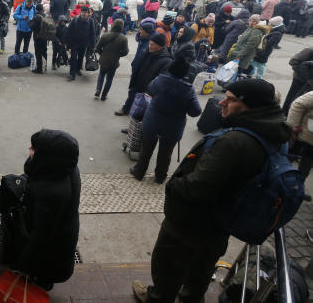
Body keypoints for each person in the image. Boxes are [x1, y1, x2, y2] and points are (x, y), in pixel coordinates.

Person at [132, 79, 290, 303]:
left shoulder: (233, 142)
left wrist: (175, 186)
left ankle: (158, 297)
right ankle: (191, 297)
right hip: (225, 220)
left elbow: (197, 187)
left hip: (192, 222)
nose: (222, 102)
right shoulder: (276, 132)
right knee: (203, 267)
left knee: (168, 263)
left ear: (252, 106)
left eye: (232, 99)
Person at [16, 129, 81, 291]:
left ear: (47, 156)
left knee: (41, 280)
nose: (30, 149)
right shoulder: (65, 167)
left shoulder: (53, 193)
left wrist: (24, 265)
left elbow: (40, 236)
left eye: (34, 148)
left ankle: (40, 285)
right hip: (60, 235)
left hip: (53, 248)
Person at [130, 59, 202, 183]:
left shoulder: (160, 80)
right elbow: (195, 112)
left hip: (152, 122)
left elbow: (150, 91)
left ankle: (139, 172)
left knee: (146, 149)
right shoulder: (188, 90)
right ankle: (160, 177)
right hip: (173, 128)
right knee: (166, 154)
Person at [94, 19, 129, 101]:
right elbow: (125, 52)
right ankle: (104, 95)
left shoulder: (105, 35)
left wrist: (102, 53)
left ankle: (98, 90)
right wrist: (119, 54)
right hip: (114, 62)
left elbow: (97, 47)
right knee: (109, 78)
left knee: (101, 75)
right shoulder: (123, 38)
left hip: (103, 60)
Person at [65, 8, 96, 81]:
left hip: (84, 43)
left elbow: (92, 33)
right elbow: (69, 30)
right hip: (74, 42)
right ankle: (72, 74)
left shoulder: (90, 21)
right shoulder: (75, 19)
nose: (84, 14)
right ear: (80, 13)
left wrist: (93, 45)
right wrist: (68, 42)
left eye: (85, 13)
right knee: (73, 58)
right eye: (82, 12)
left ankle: (78, 69)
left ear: (88, 13)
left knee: (81, 57)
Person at [283, 47, 313, 114]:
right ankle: (285, 113)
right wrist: (306, 76)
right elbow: (293, 61)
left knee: (302, 99)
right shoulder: (309, 50)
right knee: (292, 97)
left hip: (310, 82)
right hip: (299, 79)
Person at [28, 3, 49, 74]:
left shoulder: (36, 16)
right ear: (42, 9)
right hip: (45, 37)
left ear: (36, 9)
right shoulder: (46, 16)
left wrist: (30, 21)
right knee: (44, 52)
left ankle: (39, 69)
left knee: (38, 53)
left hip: (38, 37)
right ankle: (45, 67)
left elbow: (31, 26)